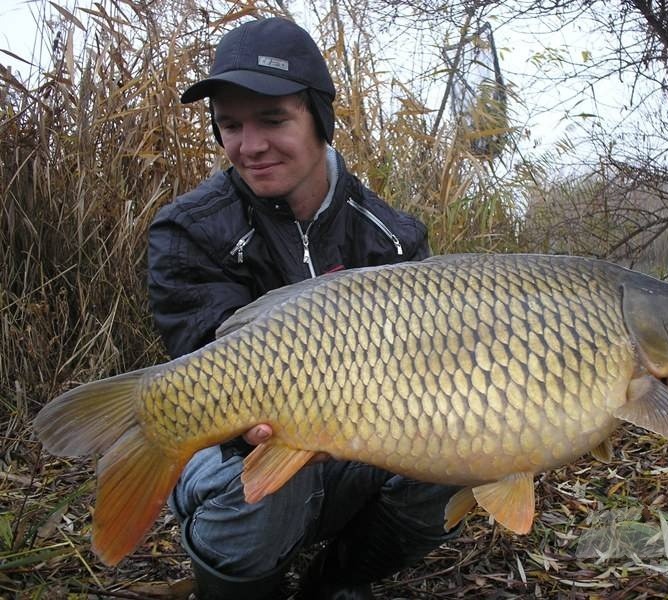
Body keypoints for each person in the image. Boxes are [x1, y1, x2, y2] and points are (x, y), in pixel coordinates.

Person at [147, 16, 461, 600]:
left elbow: (427, 380)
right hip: (239, 450)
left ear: (319, 117)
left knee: (462, 457)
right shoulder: (189, 231)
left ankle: (338, 581)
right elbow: (210, 370)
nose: (250, 145)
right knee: (265, 473)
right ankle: (241, 587)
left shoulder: (391, 239)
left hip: (369, 442)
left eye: (272, 119)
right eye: (230, 125)